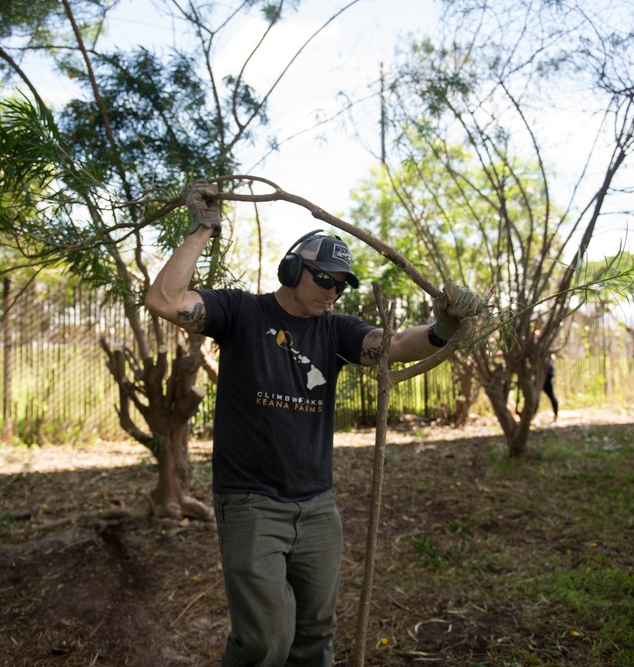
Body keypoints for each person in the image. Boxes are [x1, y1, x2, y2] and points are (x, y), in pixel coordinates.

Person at [145, 182, 484, 667]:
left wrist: (443, 329)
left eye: (341, 283)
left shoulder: (338, 330)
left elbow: (394, 345)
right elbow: (163, 299)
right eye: (324, 278)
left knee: (315, 635)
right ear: (290, 269)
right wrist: (203, 227)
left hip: (318, 506)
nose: (333, 290)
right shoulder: (240, 312)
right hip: (251, 502)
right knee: (266, 638)